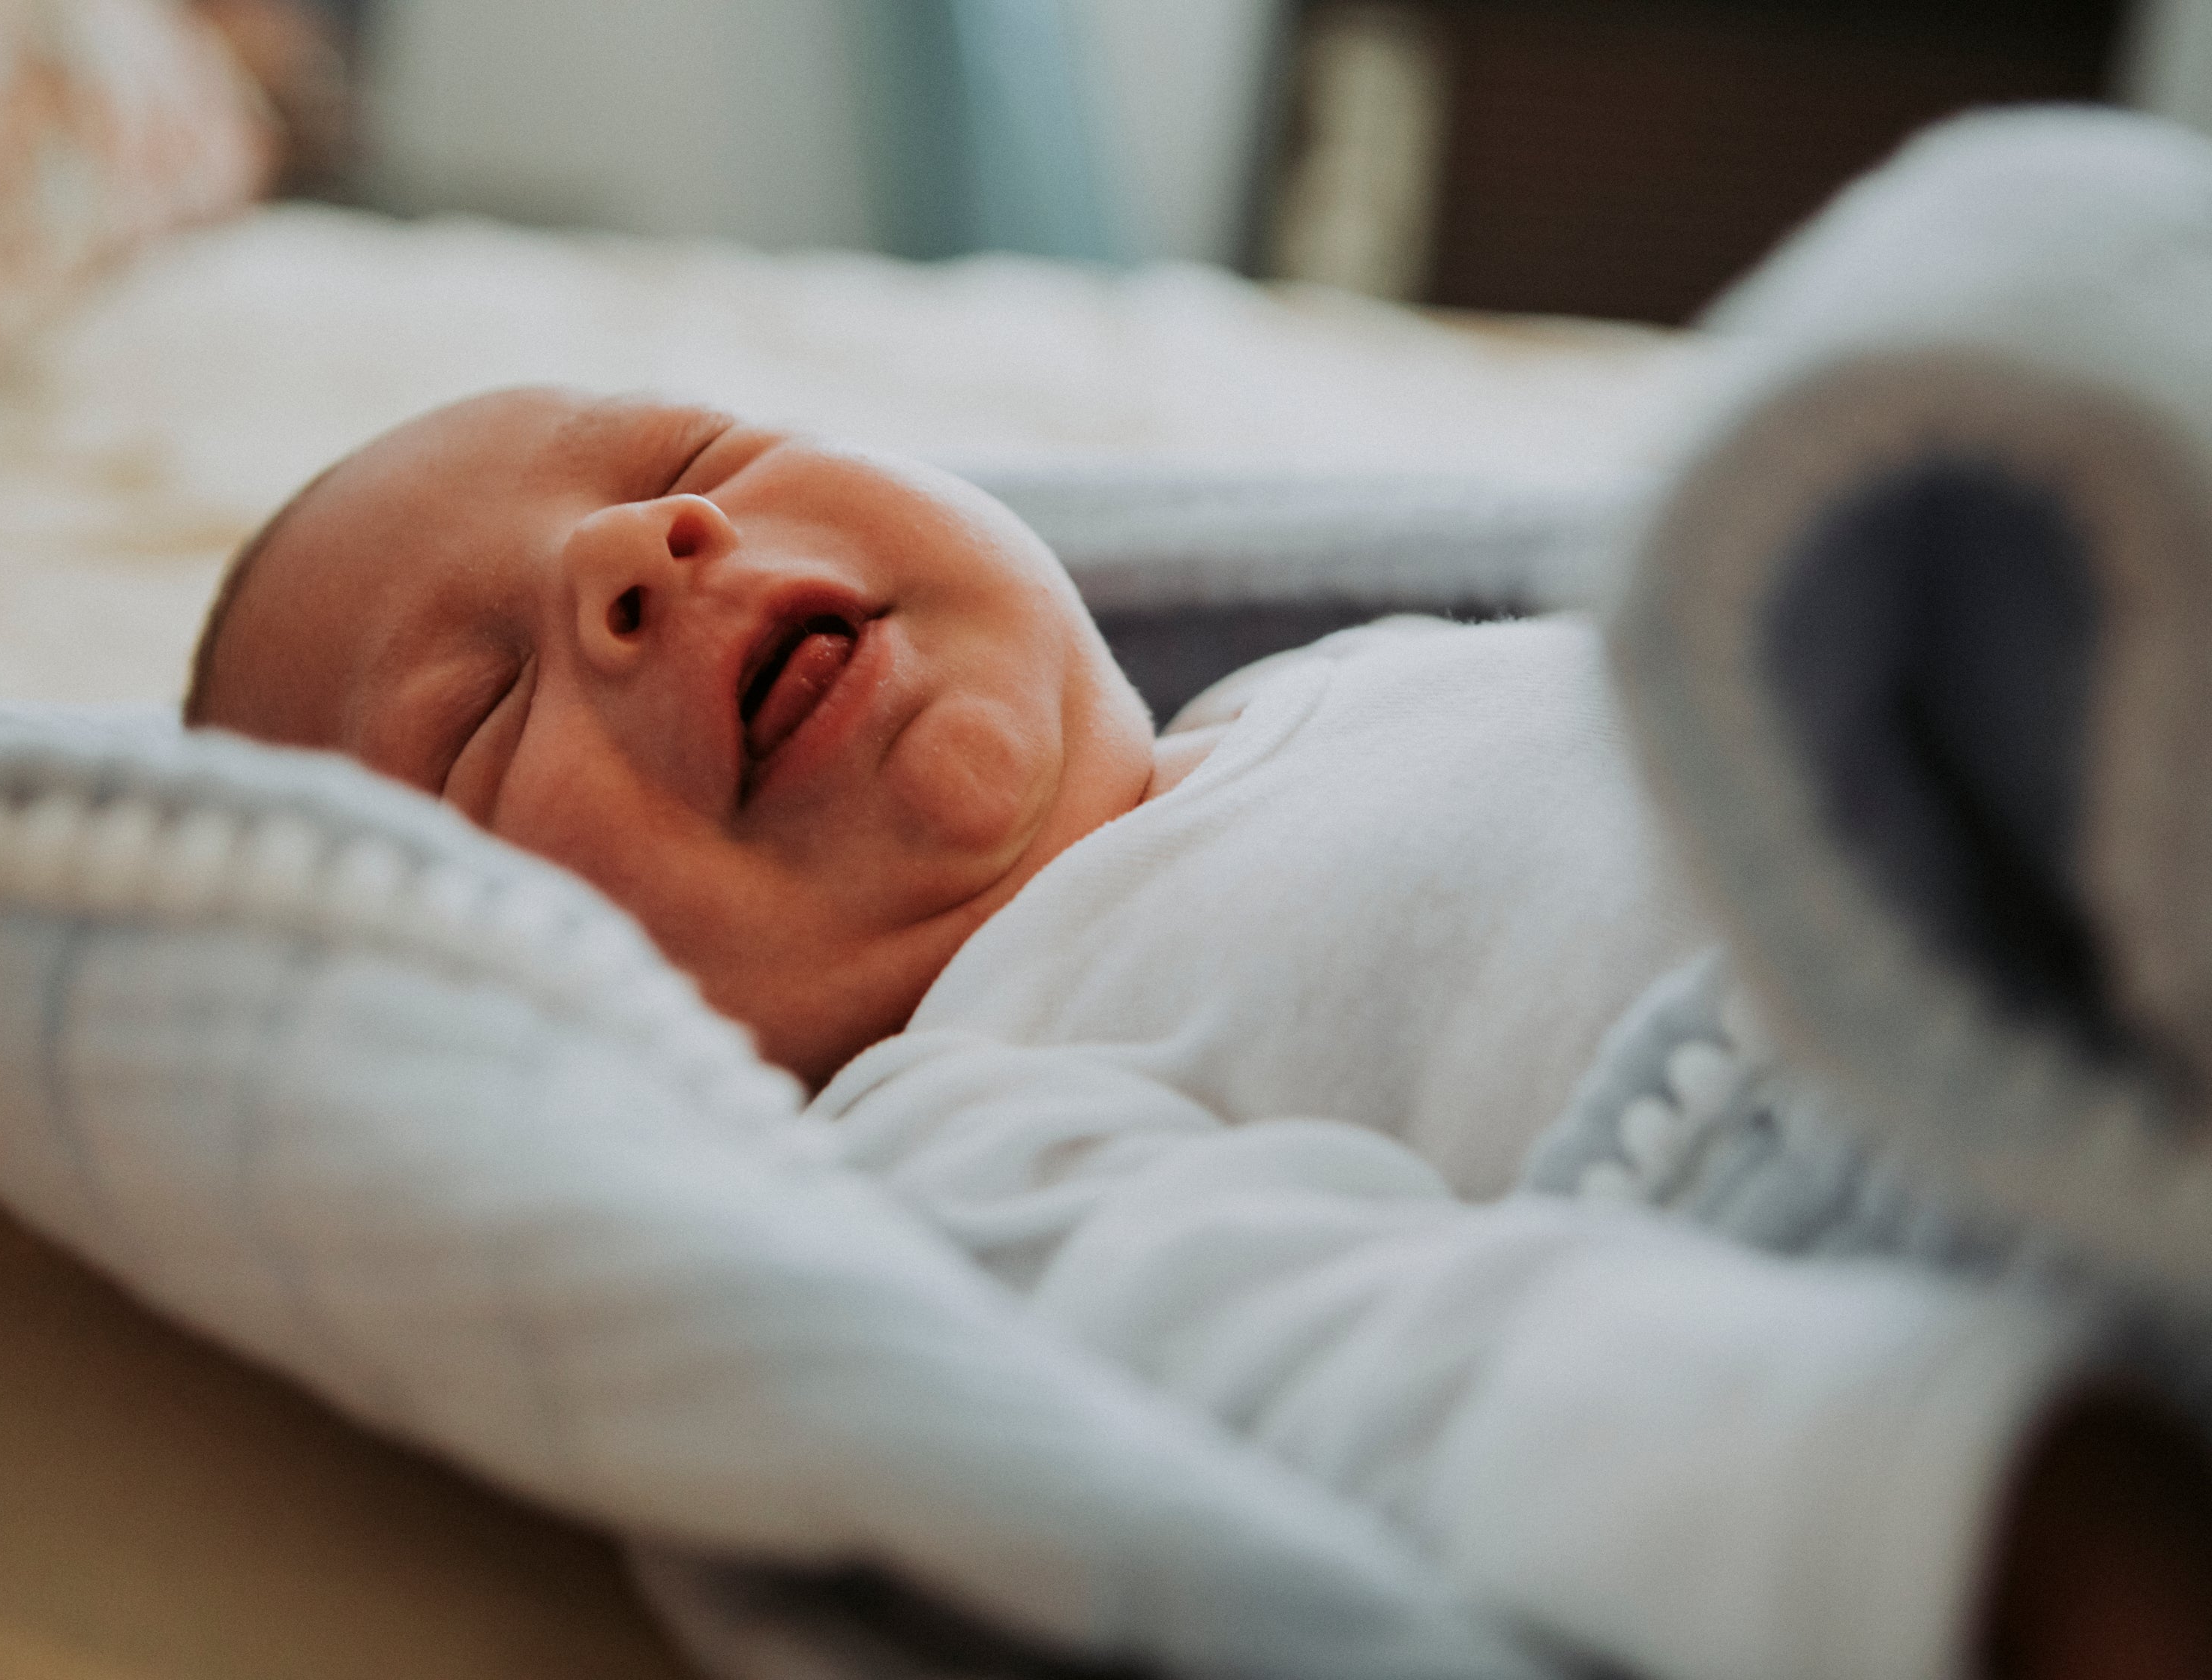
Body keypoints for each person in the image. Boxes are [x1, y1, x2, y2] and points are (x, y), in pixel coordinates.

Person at [188, 386, 2212, 1680]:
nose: (644, 556)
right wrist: (1978, 1512)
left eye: (692, 464)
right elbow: (1376, 1368)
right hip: (1938, 1210)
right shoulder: (947, 1129)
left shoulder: (1331, 680)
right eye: (470, 724)